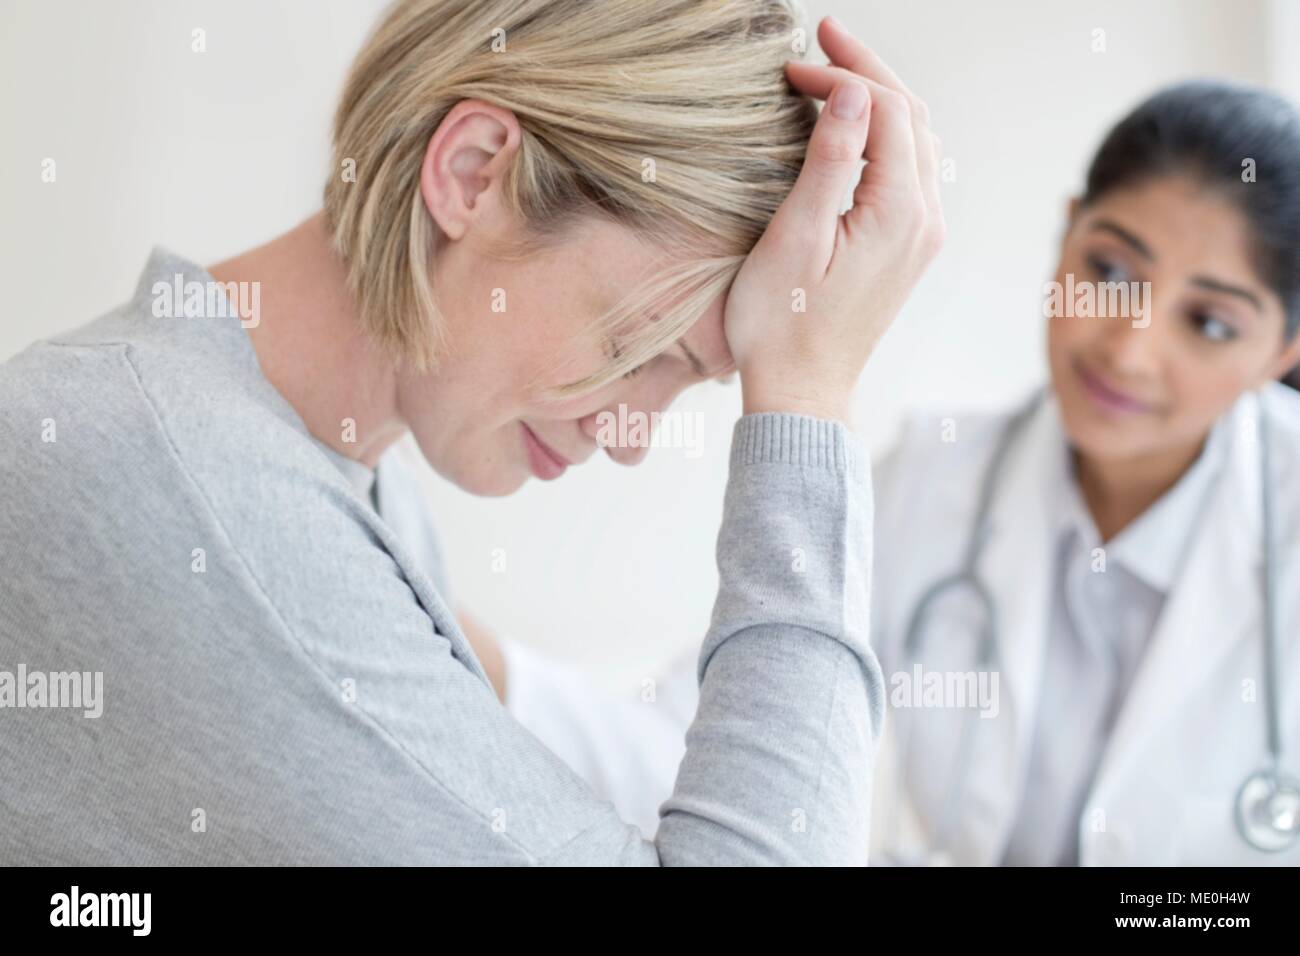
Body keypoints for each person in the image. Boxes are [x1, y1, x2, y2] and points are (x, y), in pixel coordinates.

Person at [0, 3, 942, 864]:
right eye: (636, 346)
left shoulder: (322, 474)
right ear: (472, 172)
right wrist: (809, 396)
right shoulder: (196, 490)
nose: (631, 437)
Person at [477, 80, 1300, 865]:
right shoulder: (938, 482)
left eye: (1211, 323)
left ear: (1285, 353)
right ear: (1068, 233)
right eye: (1111, 274)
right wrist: (471, 656)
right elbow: (698, 749)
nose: (1128, 347)